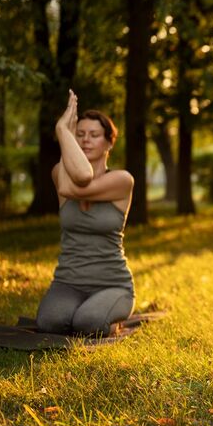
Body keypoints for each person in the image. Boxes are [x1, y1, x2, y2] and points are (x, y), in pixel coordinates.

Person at [36, 90, 135, 336]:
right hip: (67, 283)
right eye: (79, 135)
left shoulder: (122, 180)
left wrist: (63, 129)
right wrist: (66, 136)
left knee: (88, 323)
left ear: (109, 143)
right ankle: (85, 311)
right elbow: (75, 178)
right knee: (50, 323)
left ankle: (106, 315)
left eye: (94, 135)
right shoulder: (59, 172)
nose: (85, 140)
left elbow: (74, 185)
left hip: (112, 285)